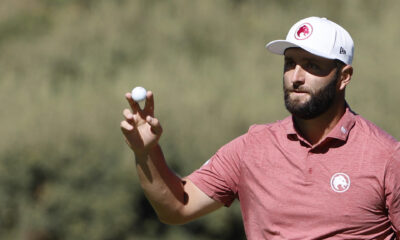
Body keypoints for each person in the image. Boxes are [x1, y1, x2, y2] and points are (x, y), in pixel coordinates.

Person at [120, 16, 400, 239]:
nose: (296, 77)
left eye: (311, 65)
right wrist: (147, 152)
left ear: (344, 77)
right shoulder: (252, 148)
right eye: (290, 63)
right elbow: (178, 207)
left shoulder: (386, 157)